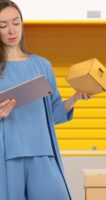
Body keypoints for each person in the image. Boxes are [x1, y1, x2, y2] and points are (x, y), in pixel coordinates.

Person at [0, 1, 90, 200]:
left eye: (16, 22)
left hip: (42, 152)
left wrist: (76, 97)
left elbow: (54, 113)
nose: (11, 30)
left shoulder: (42, 65)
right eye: (3, 25)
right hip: (6, 155)